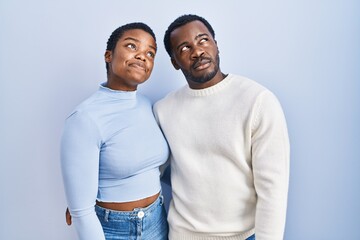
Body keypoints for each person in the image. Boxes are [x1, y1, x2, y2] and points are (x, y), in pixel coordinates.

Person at [153, 14, 290, 240]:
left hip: (243, 236)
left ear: (216, 45)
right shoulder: (164, 109)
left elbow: (273, 191)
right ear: (175, 62)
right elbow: (146, 170)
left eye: (203, 40)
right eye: (185, 47)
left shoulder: (258, 101)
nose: (197, 51)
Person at [60, 22, 169, 240]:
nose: (142, 56)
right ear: (108, 55)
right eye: (132, 46)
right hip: (114, 230)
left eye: (150, 52)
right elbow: (81, 212)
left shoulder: (149, 105)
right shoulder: (85, 118)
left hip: (158, 220)